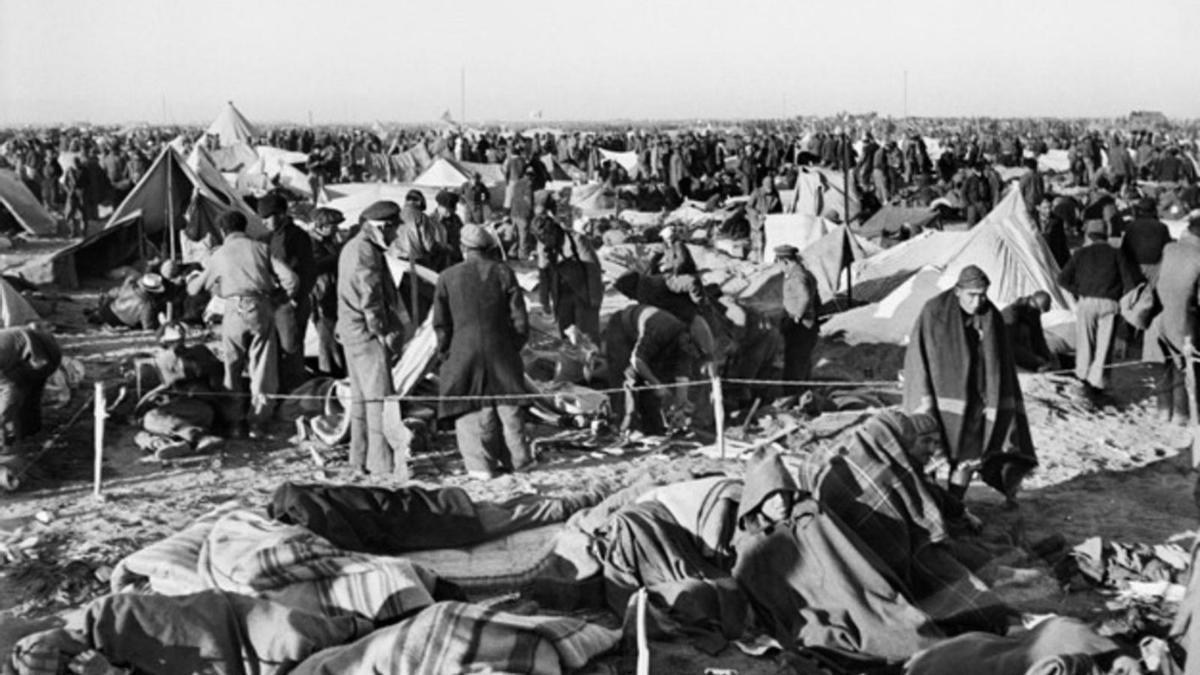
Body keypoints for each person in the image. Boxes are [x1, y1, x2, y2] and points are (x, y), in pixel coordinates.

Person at [902, 265, 1037, 505]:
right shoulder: (934, 313)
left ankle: (955, 505)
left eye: (982, 294)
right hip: (939, 399)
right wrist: (922, 395)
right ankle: (929, 503)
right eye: (971, 295)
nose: (977, 301)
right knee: (928, 453)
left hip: (977, 401)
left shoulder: (991, 316)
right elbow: (919, 357)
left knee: (969, 457)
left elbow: (1001, 364)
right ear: (957, 291)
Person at [433, 224, 532, 479]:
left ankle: (480, 468)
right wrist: (513, 345)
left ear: (463, 247)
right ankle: (520, 463)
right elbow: (519, 318)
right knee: (508, 406)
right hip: (500, 348)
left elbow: (442, 324)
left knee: (470, 409)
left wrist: (446, 353)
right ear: (487, 248)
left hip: (463, 350)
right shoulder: (503, 272)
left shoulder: (446, 277)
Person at [187, 211, 297, 439]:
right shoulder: (261, 248)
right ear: (244, 227)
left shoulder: (219, 254)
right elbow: (291, 279)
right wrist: (279, 298)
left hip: (233, 310)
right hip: (261, 307)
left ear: (223, 231)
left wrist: (197, 281)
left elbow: (195, 289)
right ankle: (258, 423)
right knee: (263, 367)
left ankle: (235, 422)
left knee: (232, 365)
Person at [336, 200, 403, 475]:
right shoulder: (365, 252)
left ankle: (359, 457)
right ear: (382, 227)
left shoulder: (353, 246)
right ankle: (381, 464)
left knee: (361, 400)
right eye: (393, 229)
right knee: (380, 401)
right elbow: (370, 298)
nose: (396, 235)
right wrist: (383, 333)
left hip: (351, 331)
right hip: (366, 334)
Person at [1058, 220, 1141, 396]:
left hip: (1087, 301)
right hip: (1110, 303)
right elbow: (1129, 282)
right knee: (1104, 346)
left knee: (1085, 343)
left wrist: (1080, 291)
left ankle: (1082, 380)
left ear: (1089, 235)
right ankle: (1098, 384)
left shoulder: (1080, 253)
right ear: (1106, 234)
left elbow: (1062, 279)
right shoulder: (1116, 254)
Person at [604, 304, 701, 435]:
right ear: (688, 337)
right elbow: (637, 360)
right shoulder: (662, 328)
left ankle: (653, 429)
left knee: (653, 377)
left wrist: (681, 403)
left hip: (644, 340)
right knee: (628, 377)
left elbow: (682, 374)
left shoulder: (685, 344)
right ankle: (626, 427)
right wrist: (657, 385)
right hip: (622, 330)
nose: (690, 352)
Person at [258, 193, 315, 393]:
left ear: (281, 214)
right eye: (262, 218)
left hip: (290, 303)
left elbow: (308, 272)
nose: (264, 222)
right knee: (275, 352)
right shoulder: (266, 238)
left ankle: (295, 396)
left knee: (291, 351)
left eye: (268, 217)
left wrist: (294, 300)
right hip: (272, 303)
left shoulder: (298, 237)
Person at [1146, 215, 1200, 424]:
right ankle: (1181, 413)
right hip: (1183, 319)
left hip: (1156, 316)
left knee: (1162, 365)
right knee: (1184, 368)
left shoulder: (1169, 249)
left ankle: (1163, 411)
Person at [0, 324, 61, 446]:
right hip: (41, 348)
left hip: (42, 355)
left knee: (20, 395)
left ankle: (20, 441)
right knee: (30, 395)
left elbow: (10, 392)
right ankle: (31, 432)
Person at [777, 245, 820, 394]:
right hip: (808, 324)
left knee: (794, 362)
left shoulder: (797, 276)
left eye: (779, 264)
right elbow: (816, 300)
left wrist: (797, 316)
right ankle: (803, 394)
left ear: (785, 261)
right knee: (803, 362)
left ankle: (794, 396)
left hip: (800, 326)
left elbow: (804, 297)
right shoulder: (807, 273)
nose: (780, 268)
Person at [309, 207, 345, 377]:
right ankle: (329, 374)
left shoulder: (329, 241)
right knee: (327, 340)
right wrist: (338, 256)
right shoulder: (312, 243)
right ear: (321, 226)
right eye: (332, 225)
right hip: (322, 296)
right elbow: (315, 265)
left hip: (332, 294)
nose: (336, 229)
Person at [1120, 196, 1172, 285]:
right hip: (1154, 267)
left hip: (1134, 266)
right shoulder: (1161, 227)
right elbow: (1168, 248)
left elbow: (1124, 248)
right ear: (1154, 210)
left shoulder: (1131, 226)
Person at [90, 272, 169, 330]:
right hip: (120, 322)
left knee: (104, 314)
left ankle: (98, 314)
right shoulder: (147, 305)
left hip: (109, 310)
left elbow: (113, 293)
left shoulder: (129, 287)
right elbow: (147, 324)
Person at [1000, 292, 1054, 372]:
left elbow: (1039, 338)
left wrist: (1047, 357)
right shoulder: (1011, 313)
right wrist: (1034, 359)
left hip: (1026, 355)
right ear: (1032, 302)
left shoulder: (1033, 313)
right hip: (1009, 359)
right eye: (1039, 309)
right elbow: (1009, 345)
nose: (1039, 313)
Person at [434, 189, 464, 266]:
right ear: (440, 207)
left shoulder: (456, 219)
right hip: (439, 261)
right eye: (447, 211)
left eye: (452, 211)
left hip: (456, 259)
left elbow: (462, 235)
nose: (450, 214)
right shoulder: (432, 221)